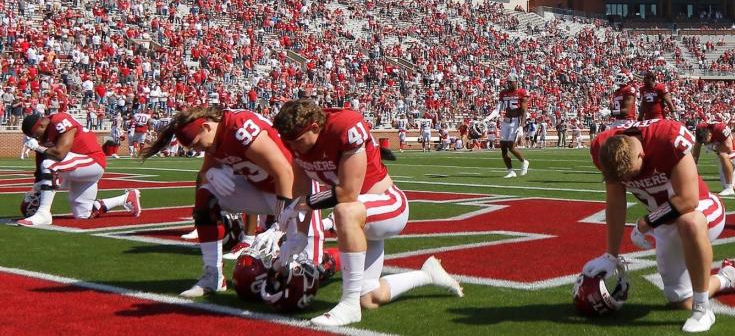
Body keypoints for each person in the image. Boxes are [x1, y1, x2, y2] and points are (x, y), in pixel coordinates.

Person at [274, 100, 463, 327]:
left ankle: (349, 304)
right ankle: (428, 274)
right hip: (359, 220)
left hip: (388, 204)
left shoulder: (344, 126)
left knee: (344, 210)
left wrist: (304, 205)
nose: (293, 147)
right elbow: (301, 192)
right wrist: (300, 236)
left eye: (296, 141)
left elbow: (347, 194)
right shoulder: (298, 143)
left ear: (314, 127)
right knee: (370, 297)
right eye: (288, 142)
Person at [585, 119, 735, 333]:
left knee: (688, 222)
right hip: (665, 222)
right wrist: (611, 255)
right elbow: (615, 203)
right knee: (680, 300)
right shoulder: (605, 148)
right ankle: (726, 277)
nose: (628, 180)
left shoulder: (667, 137)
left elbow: (688, 200)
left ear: (642, 155)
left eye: (631, 174)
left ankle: (702, 310)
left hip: (702, 207)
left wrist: (647, 222)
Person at [141, 106, 324, 298]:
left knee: (306, 271)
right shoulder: (215, 136)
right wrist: (211, 174)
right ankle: (213, 275)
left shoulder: (239, 128)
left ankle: (332, 261)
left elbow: (284, 172)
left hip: (294, 194)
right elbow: (203, 174)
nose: (198, 150)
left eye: (197, 144)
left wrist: (279, 223)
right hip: (258, 188)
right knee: (206, 195)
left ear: (206, 127)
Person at [18, 113, 140, 226]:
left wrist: (38, 147)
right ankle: (126, 198)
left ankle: (44, 213)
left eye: (35, 134)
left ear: (41, 124)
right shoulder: (44, 135)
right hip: (78, 168)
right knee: (83, 215)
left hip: (92, 161)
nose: (36, 137)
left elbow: (60, 154)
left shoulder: (59, 120)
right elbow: (41, 173)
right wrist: (35, 189)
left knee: (50, 164)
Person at [484, 73, 530, 178]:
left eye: (511, 82)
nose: (509, 84)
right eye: (508, 82)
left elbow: (524, 111)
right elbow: (497, 110)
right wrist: (487, 119)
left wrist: (521, 126)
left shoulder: (521, 92)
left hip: (516, 121)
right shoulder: (503, 93)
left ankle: (524, 162)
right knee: (503, 147)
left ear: (516, 81)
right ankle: (510, 171)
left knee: (511, 146)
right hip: (506, 121)